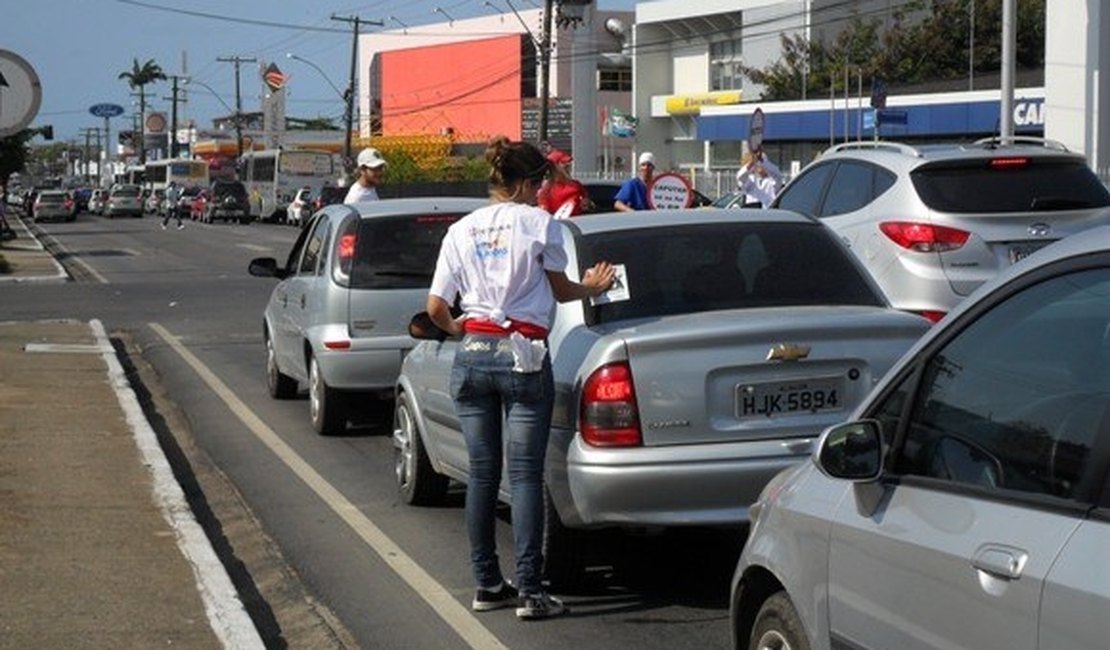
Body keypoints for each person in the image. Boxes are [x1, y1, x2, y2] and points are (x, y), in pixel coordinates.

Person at [426, 136, 616, 621]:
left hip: (472, 355)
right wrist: (592, 286)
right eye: (540, 186)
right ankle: (531, 590)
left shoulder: (461, 230)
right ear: (528, 184)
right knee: (525, 474)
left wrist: (462, 328)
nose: (541, 194)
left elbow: (436, 309)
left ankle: (488, 584)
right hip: (523, 356)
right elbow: (560, 289)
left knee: (481, 474)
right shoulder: (541, 225)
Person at [537, 149, 590, 218]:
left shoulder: (577, 185)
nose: (568, 165)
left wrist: (586, 204)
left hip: (577, 225)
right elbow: (543, 216)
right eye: (563, 162)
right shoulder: (546, 190)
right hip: (558, 226)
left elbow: (586, 205)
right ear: (555, 167)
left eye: (568, 163)